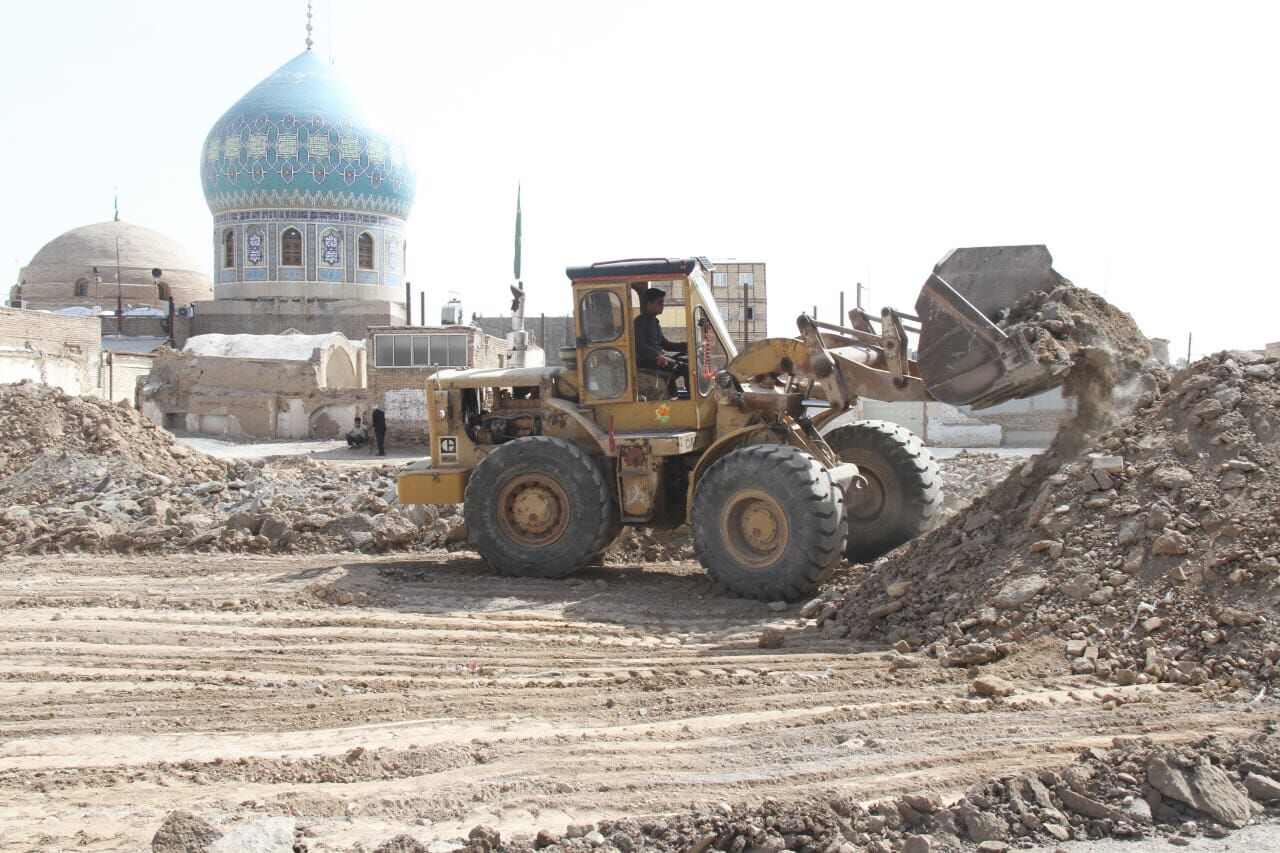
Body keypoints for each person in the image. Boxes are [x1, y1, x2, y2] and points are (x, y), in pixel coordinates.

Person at [634, 287, 688, 390]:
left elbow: (666, 344)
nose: (662, 305)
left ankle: (673, 394)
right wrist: (657, 355)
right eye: (659, 302)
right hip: (649, 361)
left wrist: (686, 345)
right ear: (649, 304)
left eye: (662, 302)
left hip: (659, 359)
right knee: (687, 369)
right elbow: (639, 344)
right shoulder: (640, 321)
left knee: (688, 363)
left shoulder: (655, 322)